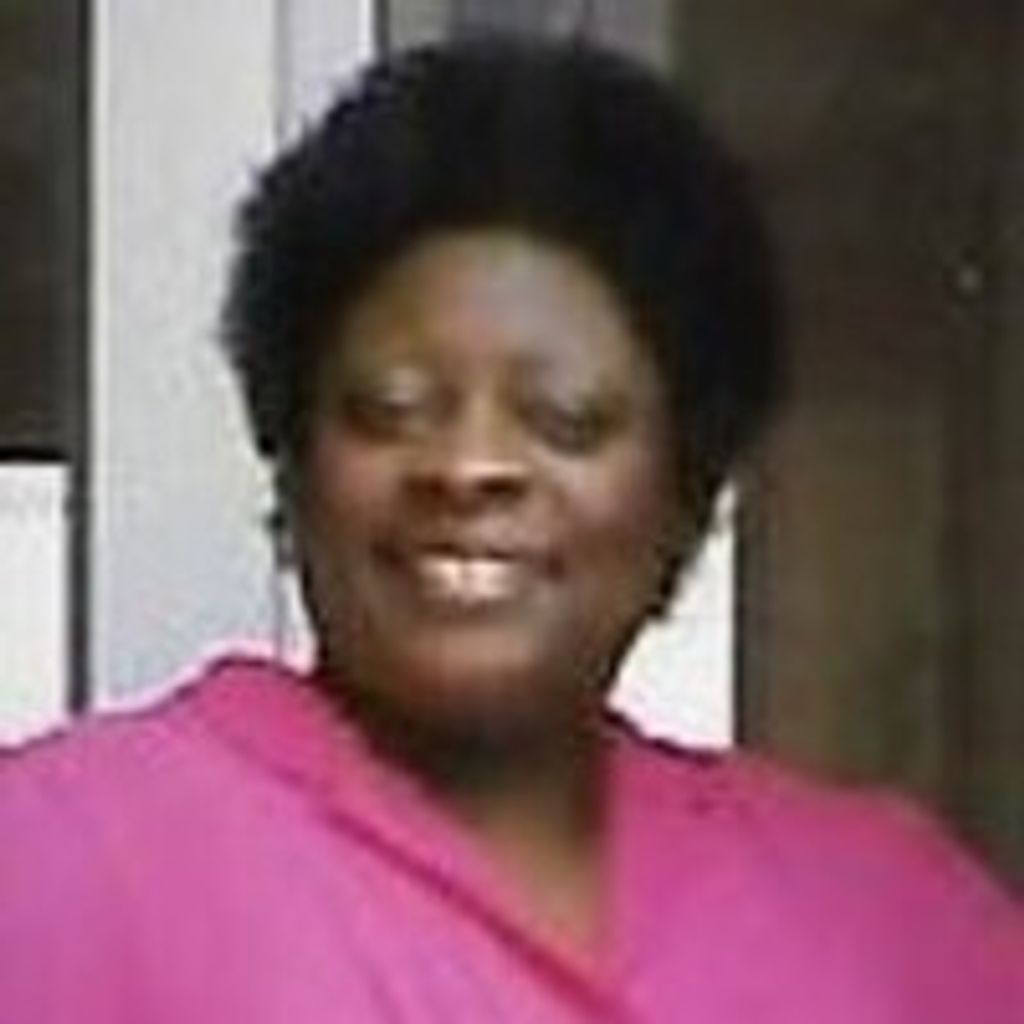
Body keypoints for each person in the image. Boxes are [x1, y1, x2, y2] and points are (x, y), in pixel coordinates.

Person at [1, 35, 1021, 1024]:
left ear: (685, 498)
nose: (467, 468)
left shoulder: (891, 917)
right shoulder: (62, 862)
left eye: (564, 419)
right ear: (293, 471)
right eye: (393, 409)